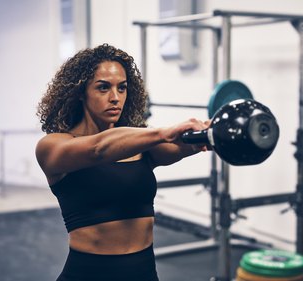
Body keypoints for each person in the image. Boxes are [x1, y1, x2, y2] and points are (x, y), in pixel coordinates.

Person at [35, 43, 209, 281]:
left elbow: (179, 147)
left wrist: (210, 134)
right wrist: (164, 132)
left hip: (144, 273)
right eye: (103, 88)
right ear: (79, 92)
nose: (115, 98)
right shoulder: (53, 147)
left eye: (122, 88)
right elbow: (98, 148)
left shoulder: (139, 144)